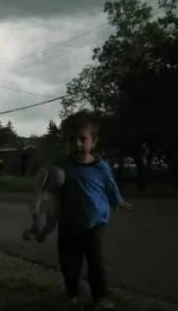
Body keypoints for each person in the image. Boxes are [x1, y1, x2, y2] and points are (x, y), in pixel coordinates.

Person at [57, 111, 132, 311]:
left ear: (93, 141)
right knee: (69, 264)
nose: (78, 144)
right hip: (68, 224)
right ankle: (73, 294)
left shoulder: (101, 167)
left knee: (95, 261)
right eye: (72, 140)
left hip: (95, 223)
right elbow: (52, 190)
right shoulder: (63, 167)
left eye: (83, 139)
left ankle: (101, 297)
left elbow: (110, 185)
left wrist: (118, 200)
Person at [22, 165, 64, 243]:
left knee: (51, 225)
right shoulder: (41, 186)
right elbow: (36, 202)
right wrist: (36, 215)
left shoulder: (57, 190)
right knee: (38, 227)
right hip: (41, 202)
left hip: (51, 202)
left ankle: (41, 235)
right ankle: (32, 232)